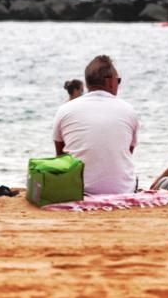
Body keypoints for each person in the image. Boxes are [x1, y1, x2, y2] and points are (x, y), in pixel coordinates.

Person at [52, 55, 139, 195]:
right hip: (122, 190)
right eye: (118, 81)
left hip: (77, 191)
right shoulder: (129, 110)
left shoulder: (64, 110)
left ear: (87, 84)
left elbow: (60, 156)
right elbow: (127, 152)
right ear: (110, 82)